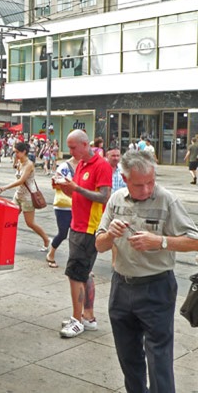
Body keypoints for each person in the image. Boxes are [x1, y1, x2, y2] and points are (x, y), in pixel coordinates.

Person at [95, 150, 198, 393]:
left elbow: (194, 240)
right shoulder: (116, 199)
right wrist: (110, 233)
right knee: (128, 357)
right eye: (139, 184)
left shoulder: (167, 200)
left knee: (159, 358)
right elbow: (99, 245)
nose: (147, 189)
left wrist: (160, 241)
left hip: (156, 287)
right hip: (121, 287)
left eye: (151, 181)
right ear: (124, 178)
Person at [55, 129, 112, 338]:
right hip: (78, 225)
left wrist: (76, 188)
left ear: (85, 144)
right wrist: (67, 189)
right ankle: (87, 316)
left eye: (73, 147)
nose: (70, 151)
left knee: (75, 275)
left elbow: (104, 196)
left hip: (89, 228)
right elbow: (80, 193)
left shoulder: (101, 165)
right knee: (84, 273)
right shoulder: (81, 164)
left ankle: (77, 320)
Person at [0, 142, 50, 251]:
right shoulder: (20, 161)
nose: (15, 154)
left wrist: (5, 187)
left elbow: (21, 180)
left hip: (28, 197)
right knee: (9, 219)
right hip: (18, 195)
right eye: (14, 151)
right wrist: (16, 161)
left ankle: (46, 240)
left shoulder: (29, 164)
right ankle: (6, 242)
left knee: (30, 223)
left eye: (17, 152)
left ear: (24, 152)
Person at [45, 156, 78, 268]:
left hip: (79, 205)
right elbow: (55, 184)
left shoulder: (86, 166)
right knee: (63, 233)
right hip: (64, 206)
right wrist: (70, 185)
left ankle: (77, 264)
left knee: (77, 235)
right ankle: (51, 254)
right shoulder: (65, 166)